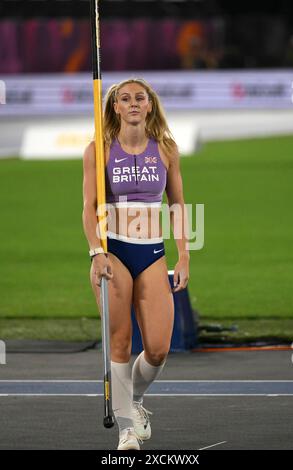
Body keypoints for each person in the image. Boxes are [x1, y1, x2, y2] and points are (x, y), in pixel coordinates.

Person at [82, 78, 190, 450]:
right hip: (114, 252)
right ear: (114, 106)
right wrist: (96, 252)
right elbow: (88, 207)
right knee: (121, 341)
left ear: (149, 105)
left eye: (138, 98)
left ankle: (132, 400)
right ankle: (128, 428)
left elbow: (177, 205)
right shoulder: (98, 151)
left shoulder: (166, 149)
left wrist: (184, 255)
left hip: (152, 252)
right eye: (124, 98)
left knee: (158, 348)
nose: (132, 103)